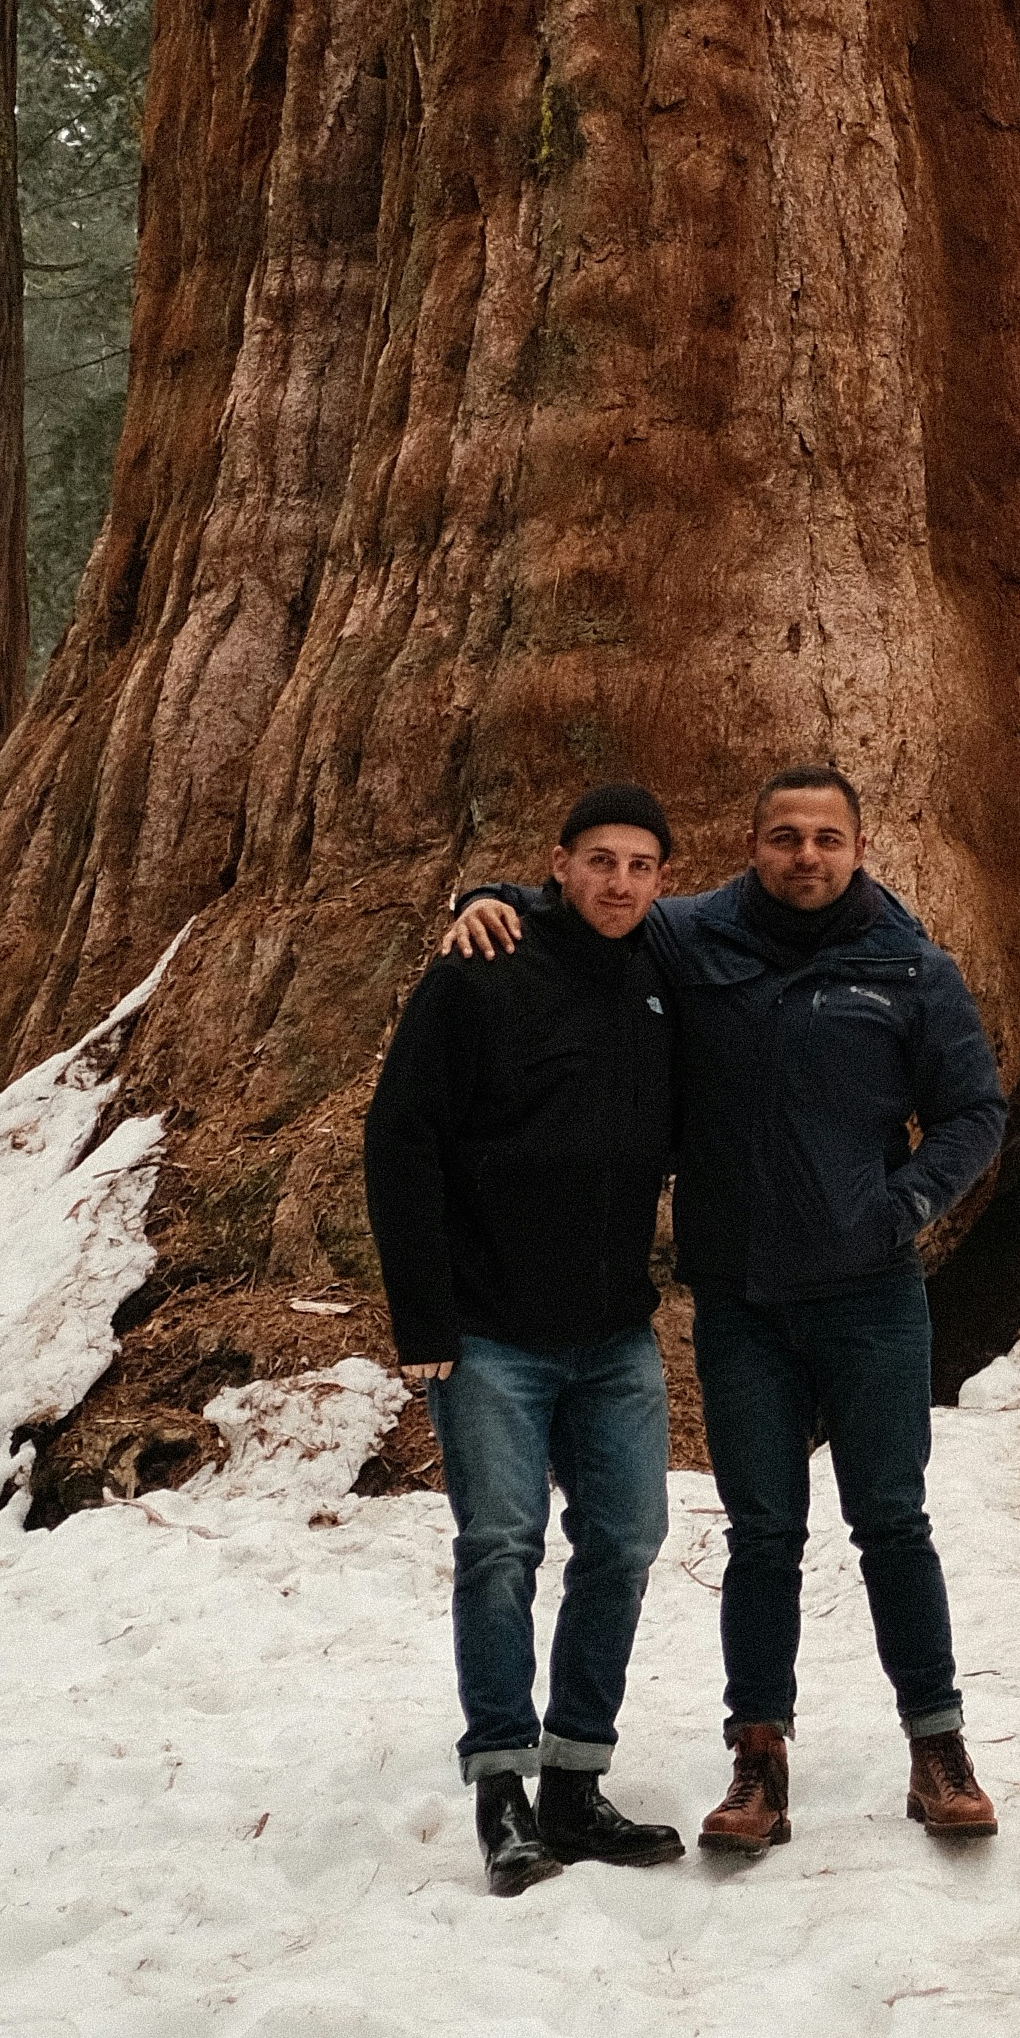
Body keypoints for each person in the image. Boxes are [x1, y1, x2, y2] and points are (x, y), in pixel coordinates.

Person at [444, 763, 1005, 1858]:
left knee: (892, 1523)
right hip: (741, 1301)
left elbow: (972, 1110)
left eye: (826, 839)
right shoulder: (690, 939)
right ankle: (758, 1757)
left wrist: (903, 1208)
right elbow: (589, 908)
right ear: (752, 845)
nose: (806, 856)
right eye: (784, 837)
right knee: (762, 1535)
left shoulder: (906, 966)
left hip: (872, 1300)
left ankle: (937, 1746)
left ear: (857, 846)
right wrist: (487, 899)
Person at [365, 781, 693, 1897]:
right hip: (490, 1332)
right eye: (598, 860)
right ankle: (501, 1793)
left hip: (613, 1335)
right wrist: (423, 1319)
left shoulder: (663, 972)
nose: (619, 882)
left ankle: (574, 1781)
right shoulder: (480, 971)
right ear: (558, 865)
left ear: (662, 880)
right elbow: (399, 1138)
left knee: (628, 1540)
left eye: (641, 865)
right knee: (499, 1548)